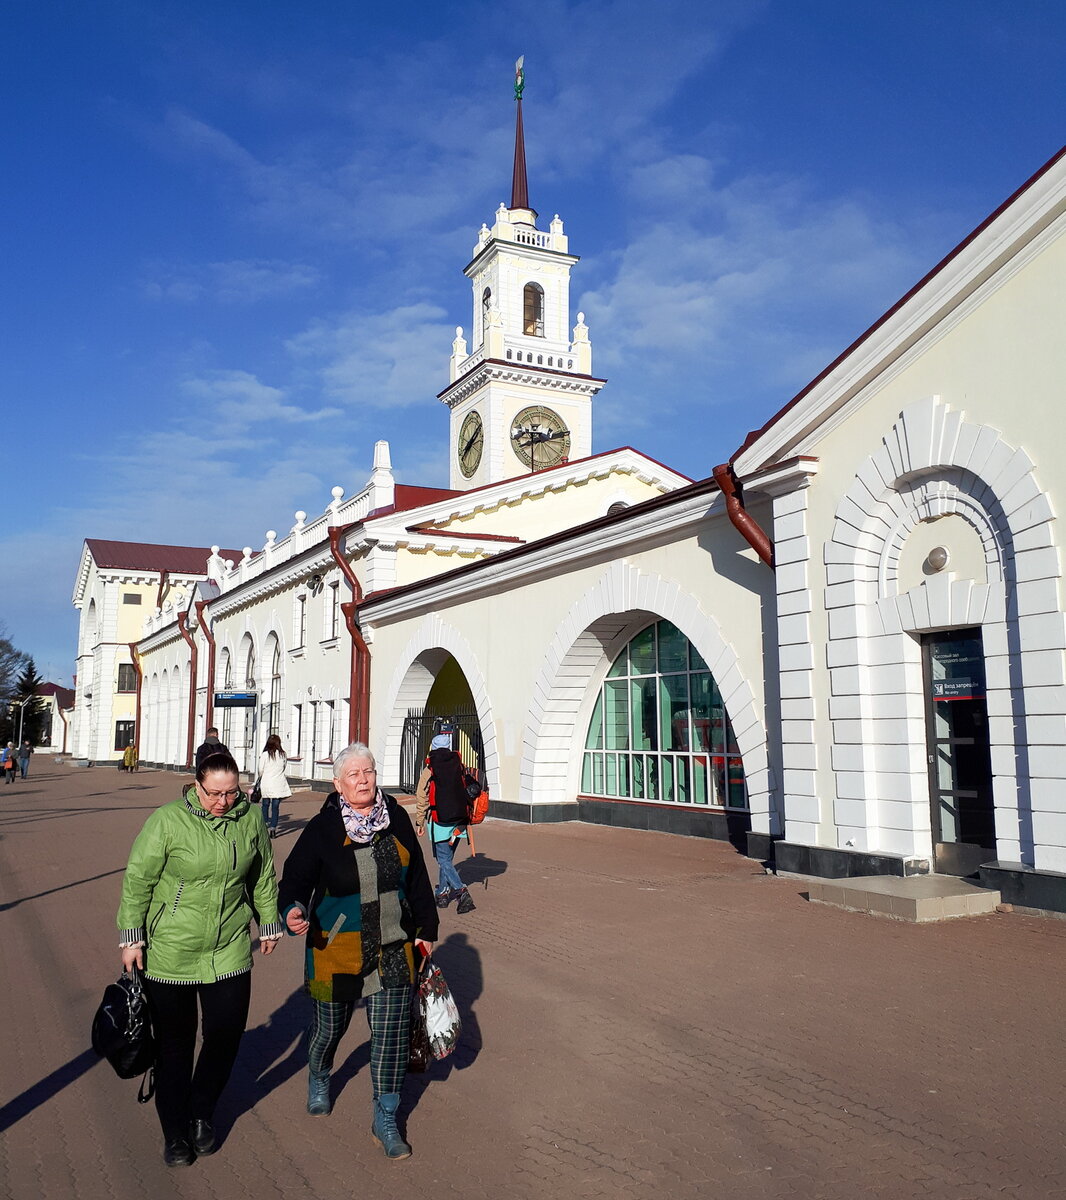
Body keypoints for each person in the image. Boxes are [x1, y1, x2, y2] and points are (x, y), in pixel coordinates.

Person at [117, 752, 283, 1167]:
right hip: (170, 949)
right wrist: (131, 939)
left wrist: (269, 921)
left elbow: (262, 873)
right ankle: (174, 1132)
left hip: (228, 947)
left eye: (232, 792)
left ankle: (200, 1114)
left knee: (225, 1037)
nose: (223, 801)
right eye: (214, 793)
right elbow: (138, 879)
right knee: (175, 1046)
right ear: (196, 784)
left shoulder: (249, 820)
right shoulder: (168, 820)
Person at [279, 742, 437, 1160]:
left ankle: (386, 1117)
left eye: (368, 771)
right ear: (338, 784)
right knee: (330, 1029)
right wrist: (293, 910)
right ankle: (319, 1071)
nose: (363, 780)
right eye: (354, 774)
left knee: (390, 1038)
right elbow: (293, 882)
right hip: (336, 948)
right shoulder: (323, 829)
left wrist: (426, 928)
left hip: (392, 944)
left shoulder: (396, 818)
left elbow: (418, 877)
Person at [415, 731, 477, 914]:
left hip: (439, 821)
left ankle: (461, 891)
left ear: (433, 749)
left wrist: (419, 821)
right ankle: (442, 894)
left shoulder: (429, 769)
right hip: (459, 822)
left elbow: (421, 796)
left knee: (443, 860)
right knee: (447, 860)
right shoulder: (460, 766)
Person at [256, 733, 291, 838]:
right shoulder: (283, 755)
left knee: (265, 805)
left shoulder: (265, 755)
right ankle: (273, 828)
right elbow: (284, 767)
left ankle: (265, 823)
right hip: (278, 784)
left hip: (267, 783)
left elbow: (260, 770)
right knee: (275, 807)